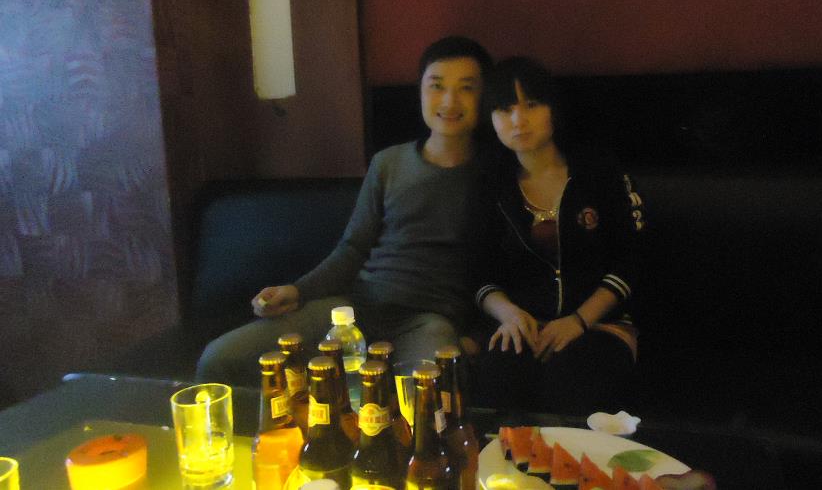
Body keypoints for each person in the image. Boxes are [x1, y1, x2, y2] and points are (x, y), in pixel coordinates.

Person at [196, 36, 493, 386]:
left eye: (466, 88)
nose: (449, 101)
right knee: (221, 359)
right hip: (354, 309)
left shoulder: (495, 174)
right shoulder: (388, 164)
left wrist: (478, 334)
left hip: (429, 321)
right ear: (421, 92)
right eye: (437, 86)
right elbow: (353, 248)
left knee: (429, 396)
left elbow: (504, 269)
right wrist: (297, 291)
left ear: (484, 96)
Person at [471, 57, 646, 415]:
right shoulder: (490, 184)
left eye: (531, 105)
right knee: (496, 389)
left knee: (572, 387)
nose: (518, 120)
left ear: (553, 108)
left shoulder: (597, 171)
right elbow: (477, 271)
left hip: (600, 324)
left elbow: (632, 258)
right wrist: (508, 313)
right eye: (505, 109)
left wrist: (578, 321)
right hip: (522, 326)